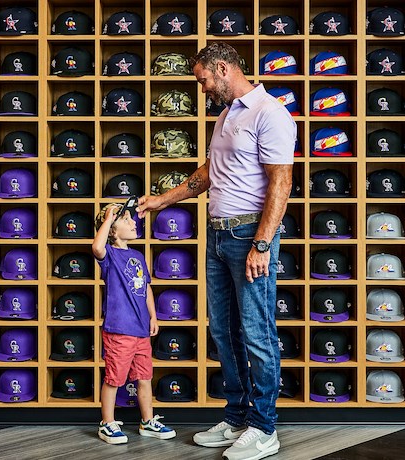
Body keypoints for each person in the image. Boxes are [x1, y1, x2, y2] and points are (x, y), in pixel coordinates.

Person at [137, 42, 295, 460]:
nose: (202, 89)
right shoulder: (226, 115)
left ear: (223, 69)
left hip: (249, 237)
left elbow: (282, 183)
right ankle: (237, 416)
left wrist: (262, 243)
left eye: (203, 80)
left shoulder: (270, 113)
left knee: (258, 333)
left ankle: (263, 429)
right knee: (223, 332)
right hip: (219, 236)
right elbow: (210, 171)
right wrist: (162, 200)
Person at [92, 203, 176, 445]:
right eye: (126, 220)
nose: (133, 223)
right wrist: (109, 218)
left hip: (140, 329)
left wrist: (153, 315)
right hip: (119, 330)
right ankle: (107, 424)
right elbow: (96, 246)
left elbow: (146, 287)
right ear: (112, 231)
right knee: (114, 379)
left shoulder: (137, 256)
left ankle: (147, 421)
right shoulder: (109, 254)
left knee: (144, 377)